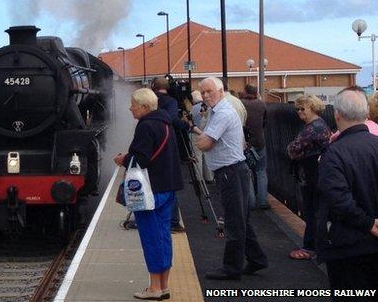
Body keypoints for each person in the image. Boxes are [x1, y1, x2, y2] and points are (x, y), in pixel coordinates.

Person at [194, 77, 268, 280]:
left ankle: (232, 268)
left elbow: (205, 144)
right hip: (234, 171)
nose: (206, 96)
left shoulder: (223, 114)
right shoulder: (220, 111)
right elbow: (206, 139)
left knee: (234, 221)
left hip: (230, 172)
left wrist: (201, 137)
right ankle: (257, 259)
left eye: (209, 91)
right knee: (242, 218)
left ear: (220, 90)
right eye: (203, 93)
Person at [113, 88, 183, 300]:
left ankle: (154, 288)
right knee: (163, 236)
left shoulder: (146, 126)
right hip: (167, 187)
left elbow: (141, 159)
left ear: (144, 107)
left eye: (133, 104)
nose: (130, 108)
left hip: (150, 191)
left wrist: (123, 159)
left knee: (151, 238)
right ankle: (164, 284)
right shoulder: (166, 123)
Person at [315, 88, 378, 290]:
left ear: (337, 114)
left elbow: (338, 200)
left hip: (347, 246)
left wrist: (368, 223)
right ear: (366, 113)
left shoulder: (333, 153)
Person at [287, 94, 331, 261]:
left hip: (313, 177)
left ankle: (310, 247)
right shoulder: (320, 125)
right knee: (316, 211)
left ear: (312, 108)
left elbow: (293, 150)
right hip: (317, 175)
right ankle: (316, 246)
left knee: (312, 212)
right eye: (297, 109)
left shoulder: (313, 128)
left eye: (302, 108)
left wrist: (292, 149)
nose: (299, 112)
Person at [152, 77, 189, 233]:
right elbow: (173, 119)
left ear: (153, 86)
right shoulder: (171, 101)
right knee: (170, 181)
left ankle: (154, 214)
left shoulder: (150, 99)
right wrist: (186, 125)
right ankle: (173, 221)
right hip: (166, 141)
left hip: (151, 141)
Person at [240, 84, 269, 210]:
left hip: (246, 143)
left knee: (247, 172)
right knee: (261, 171)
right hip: (260, 141)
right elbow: (265, 121)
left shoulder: (241, 104)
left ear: (245, 92)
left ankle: (250, 202)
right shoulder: (262, 104)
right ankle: (262, 201)